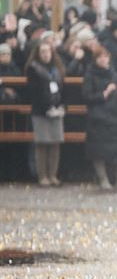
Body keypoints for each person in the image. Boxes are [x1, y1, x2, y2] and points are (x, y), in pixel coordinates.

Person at [82, 45, 117, 190]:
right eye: (101, 57)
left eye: (106, 56)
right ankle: (103, 179)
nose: (104, 60)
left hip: (115, 115)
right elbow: (86, 96)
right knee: (98, 150)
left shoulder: (113, 74)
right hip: (98, 117)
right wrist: (103, 94)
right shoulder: (90, 75)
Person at [25, 37, 65, 186]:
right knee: (42, 143)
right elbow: (33, 92)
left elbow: (63, 89)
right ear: (38, 53)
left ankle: (53, 174)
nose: (45, 54)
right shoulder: (33, 68)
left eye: (48, 51)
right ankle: (42, 175)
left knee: (55, 143)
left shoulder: (58, 68)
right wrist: (47, 107)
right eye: (42, 51)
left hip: (57, 109)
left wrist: (62, 106)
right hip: (41, 111)